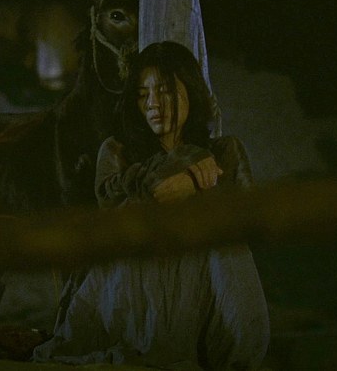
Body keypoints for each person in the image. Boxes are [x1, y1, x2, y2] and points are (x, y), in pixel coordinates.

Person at [33, 41, 270, 370]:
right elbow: (119, 215)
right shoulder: (117, 152)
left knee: (219, 230)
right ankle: (151, 346)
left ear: (191, 92)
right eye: (143, 95)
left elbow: (250, 224)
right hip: (130, 288)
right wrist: (186, 172)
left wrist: (199, 183)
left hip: (201, 288)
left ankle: (232, 355)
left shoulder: (224, 151)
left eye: (165, 91)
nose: (153, 104)